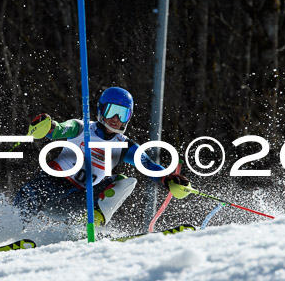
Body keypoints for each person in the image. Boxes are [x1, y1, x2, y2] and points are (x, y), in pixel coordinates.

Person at [13, 86, 189, 227]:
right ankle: (7, 229)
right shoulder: (81, 128)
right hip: (52, 185)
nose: (116, 119)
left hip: (81, 197)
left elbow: (147, 164)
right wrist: (49, 126)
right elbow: (60, 129)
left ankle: (85, 226)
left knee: (124, 182)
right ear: (102, 110)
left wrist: (167, 178)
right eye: (112, 111)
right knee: (28, 196)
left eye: (123, 114)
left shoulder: (124, 145)